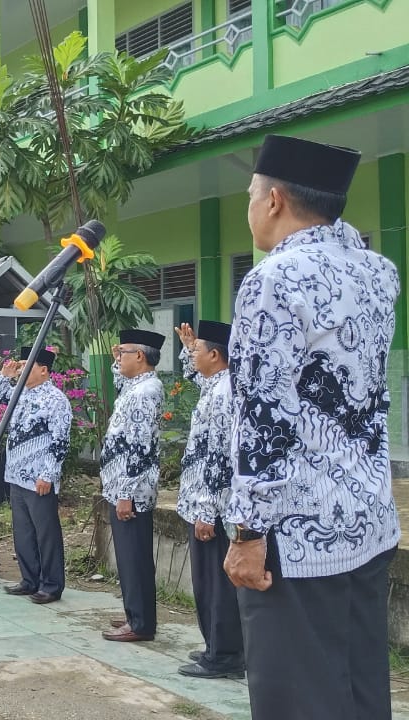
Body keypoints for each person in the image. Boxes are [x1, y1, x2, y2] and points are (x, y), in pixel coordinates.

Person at [223, 135, 399, 719]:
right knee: (361, 688)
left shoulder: (273, 279)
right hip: (367, 520)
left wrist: (248, 533)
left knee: (297, 699)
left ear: (274, 200)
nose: (249, 209)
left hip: (297, 535)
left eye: (250, 197)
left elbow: (262, 415)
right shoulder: (379, 273)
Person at [171, 321, 243, 680]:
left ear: (215, 355)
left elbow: (219, 456)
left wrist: (207, 510)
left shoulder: (224, 391)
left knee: (215, 585)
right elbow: (196, 376)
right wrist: (189, 347)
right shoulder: (216, 384)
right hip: (200, 500)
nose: (192, 355)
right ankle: (215, 645)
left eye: (198, 350)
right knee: (206, 583)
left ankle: (225, 655)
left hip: (211, 507)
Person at [0, 346, 71, 604]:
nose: (21, 369)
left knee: (45, 533)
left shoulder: (55, 399)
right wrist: (5, 375)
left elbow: (60, 441)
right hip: (16, 474)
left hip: (39, 477)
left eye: (27, 365)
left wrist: (48, 474)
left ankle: (51, 585)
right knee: (23, 531)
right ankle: (29, 579)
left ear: (44, 370)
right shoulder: (20, 392)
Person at [100, 329, 165, 642]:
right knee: (128, 557)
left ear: (139, 356)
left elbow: (139, 447)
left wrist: (126, 493)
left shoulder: (145, 391)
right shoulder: (135, 386)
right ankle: (135, 614)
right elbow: (120, 378)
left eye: (123, 352)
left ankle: (140, 623)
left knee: (134, 558)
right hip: (122, 486)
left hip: (133, 490)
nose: (118, 357)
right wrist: (117, 360)